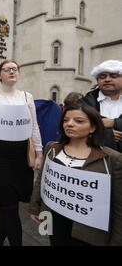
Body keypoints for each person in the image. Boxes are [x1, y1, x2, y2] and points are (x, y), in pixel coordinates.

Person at [28, 103, 122, 246]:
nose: (69, 124)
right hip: (54, 219)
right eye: (66, 120)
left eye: (79, 121)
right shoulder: (52, 148)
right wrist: (35, 207)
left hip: (86, 230)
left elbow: (117, 206)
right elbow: (42, 180)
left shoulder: (112, 159)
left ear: (93, 127)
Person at [0, 60, 43, 246]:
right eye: (7, 69)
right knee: (9, 204)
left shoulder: (27, 97)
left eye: (15, 69)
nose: (12, 71)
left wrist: (39, 152)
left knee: (9, 203)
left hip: (20, 156)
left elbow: (34, 127)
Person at [80, 60, 122, 152]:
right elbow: (74, 127)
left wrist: (114, 123)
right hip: (93, 160)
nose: (107, 79)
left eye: (113, 76)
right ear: (97, 80)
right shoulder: (83, 103)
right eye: (102, 76)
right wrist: (107, 135)